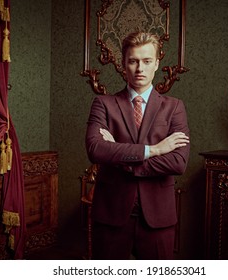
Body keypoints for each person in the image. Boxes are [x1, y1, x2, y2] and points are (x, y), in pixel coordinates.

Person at [85, 31, 190, 260]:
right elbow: (96, 149)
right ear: (124, 64)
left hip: (158, 217)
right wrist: (153, 150)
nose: (139, 68)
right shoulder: (103, 104)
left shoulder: (174, 108)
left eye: (146, 61)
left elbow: (178, 162)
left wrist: (120, 158)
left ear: (157, 64)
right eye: (133, 61)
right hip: (111, 214)